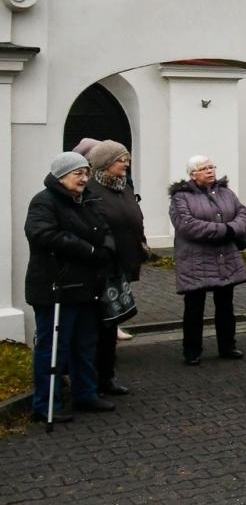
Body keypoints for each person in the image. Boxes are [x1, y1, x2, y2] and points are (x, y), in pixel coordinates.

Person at [24, 152, 117, 422]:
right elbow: (43, 235)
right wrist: (88, 250)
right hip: (57, 288)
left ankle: (85, 393)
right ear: (61, 176)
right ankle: (45, 404)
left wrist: (108, 246)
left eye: (85, 173)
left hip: (87, 287)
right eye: (78, 174)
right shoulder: (44, 202)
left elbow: (103, 226)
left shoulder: (85, 199)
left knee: (85, 344)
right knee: (54, 348)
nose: (84, 178)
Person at [168, 156, 246, 365]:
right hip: (196, 260)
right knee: (194, 307)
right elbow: (187, 225)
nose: (210, 171)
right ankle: (192, 351)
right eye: (203, 168)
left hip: (225, 258)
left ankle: (227, 346)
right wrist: (224, 230)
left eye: (212, 167)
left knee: (225, 305)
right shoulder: (181, 198)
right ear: (192, 174)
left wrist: (234, 228)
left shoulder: (226, 192)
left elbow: (243, 214)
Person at [81, 140, 148, 396]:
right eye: (122, 159)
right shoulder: (90, 189)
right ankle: (91, 381)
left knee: (111, 324)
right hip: (99, 268)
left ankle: (107, 378)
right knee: (97, 327)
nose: (127, 164)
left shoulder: (123, 187)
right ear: (106, 163)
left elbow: (133, 217)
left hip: (120, 266)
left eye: (127, 159)